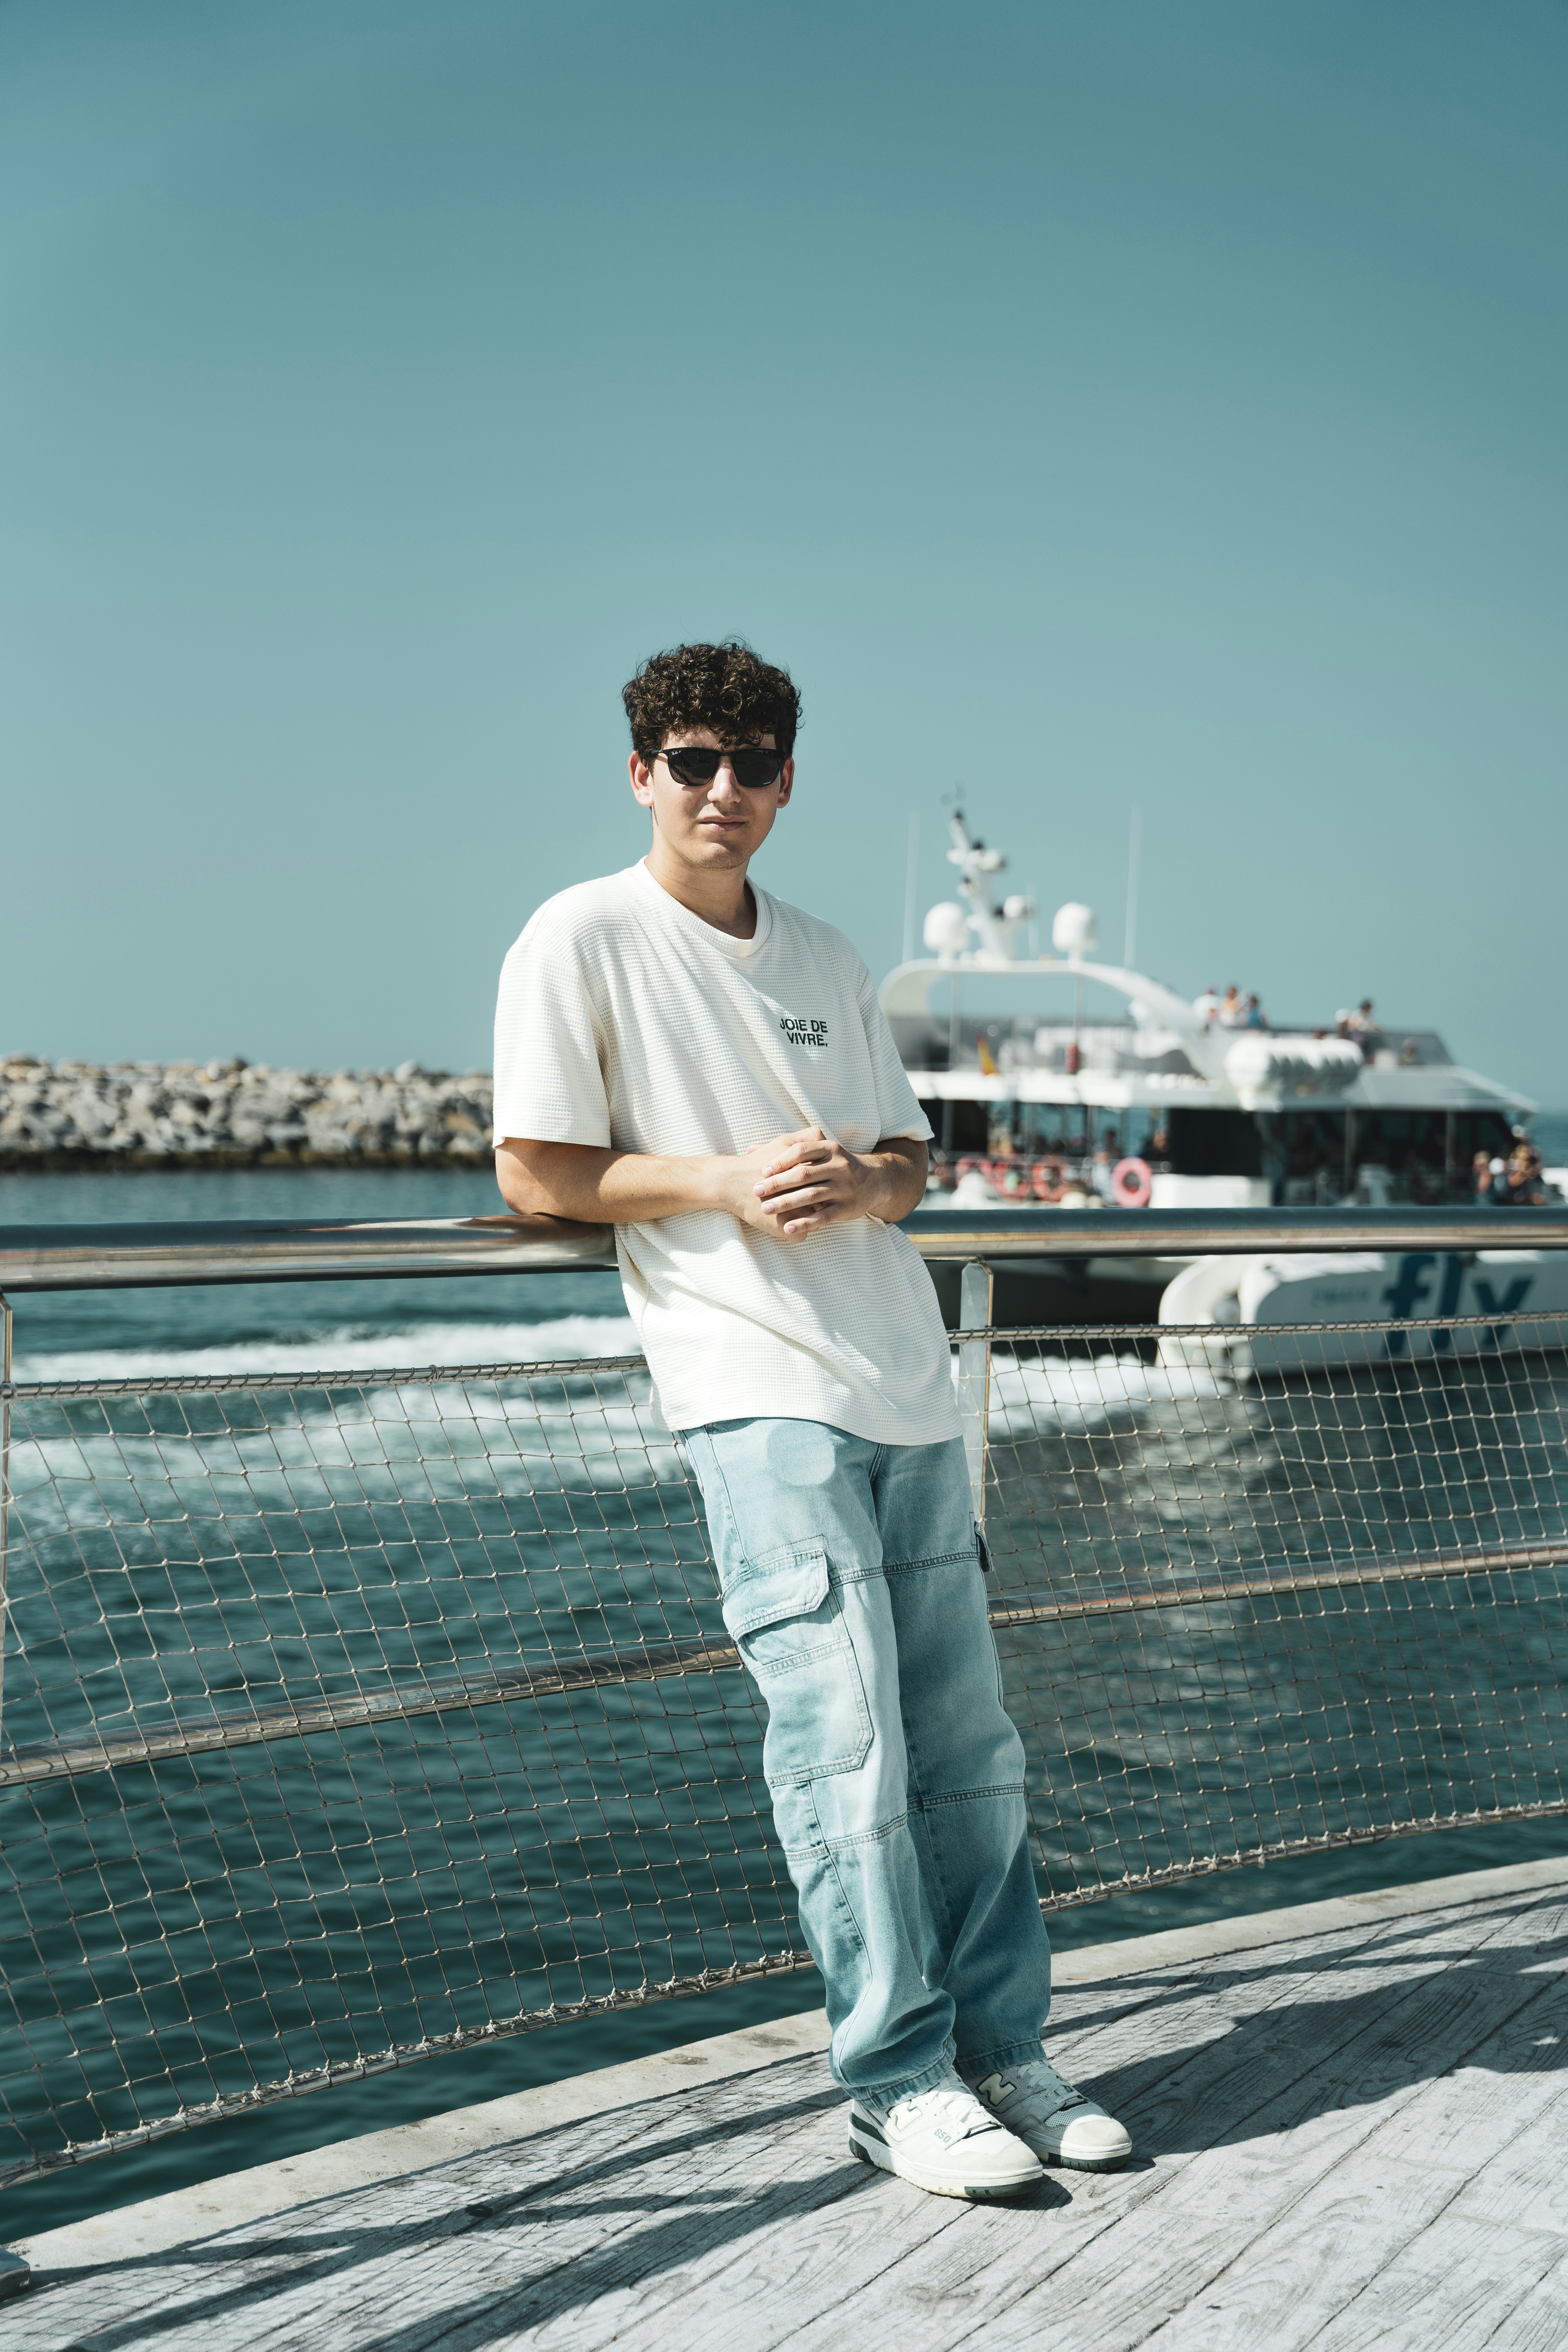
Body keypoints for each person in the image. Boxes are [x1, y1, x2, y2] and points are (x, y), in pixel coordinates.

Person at [492, 641, 1131, 2203]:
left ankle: (1006, 2048)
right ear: (640, 769)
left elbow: (909, 1163)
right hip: (751, 1388)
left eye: (755, 762)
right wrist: (717, 1180)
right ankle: (897, 2079)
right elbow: (534, 1173)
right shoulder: (578, 938)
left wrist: (869, 1182)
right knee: (841, 1746)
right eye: (696, 760)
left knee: (969, 1753)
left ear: (788, 777)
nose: (727, 791)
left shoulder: (833, 959)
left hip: (905, 1381)